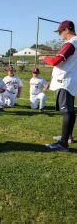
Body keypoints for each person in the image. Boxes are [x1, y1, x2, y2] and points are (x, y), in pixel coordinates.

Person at [40, 20, 77, 151]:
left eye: (61, 31)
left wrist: (44, 57)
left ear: (67, 30)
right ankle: (67, 137)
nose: (59, 34)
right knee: (70, 111)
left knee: (66, 111)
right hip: (70, 81)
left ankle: (63, 143)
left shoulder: (71, 43)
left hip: (65, 81)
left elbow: (55, 61)